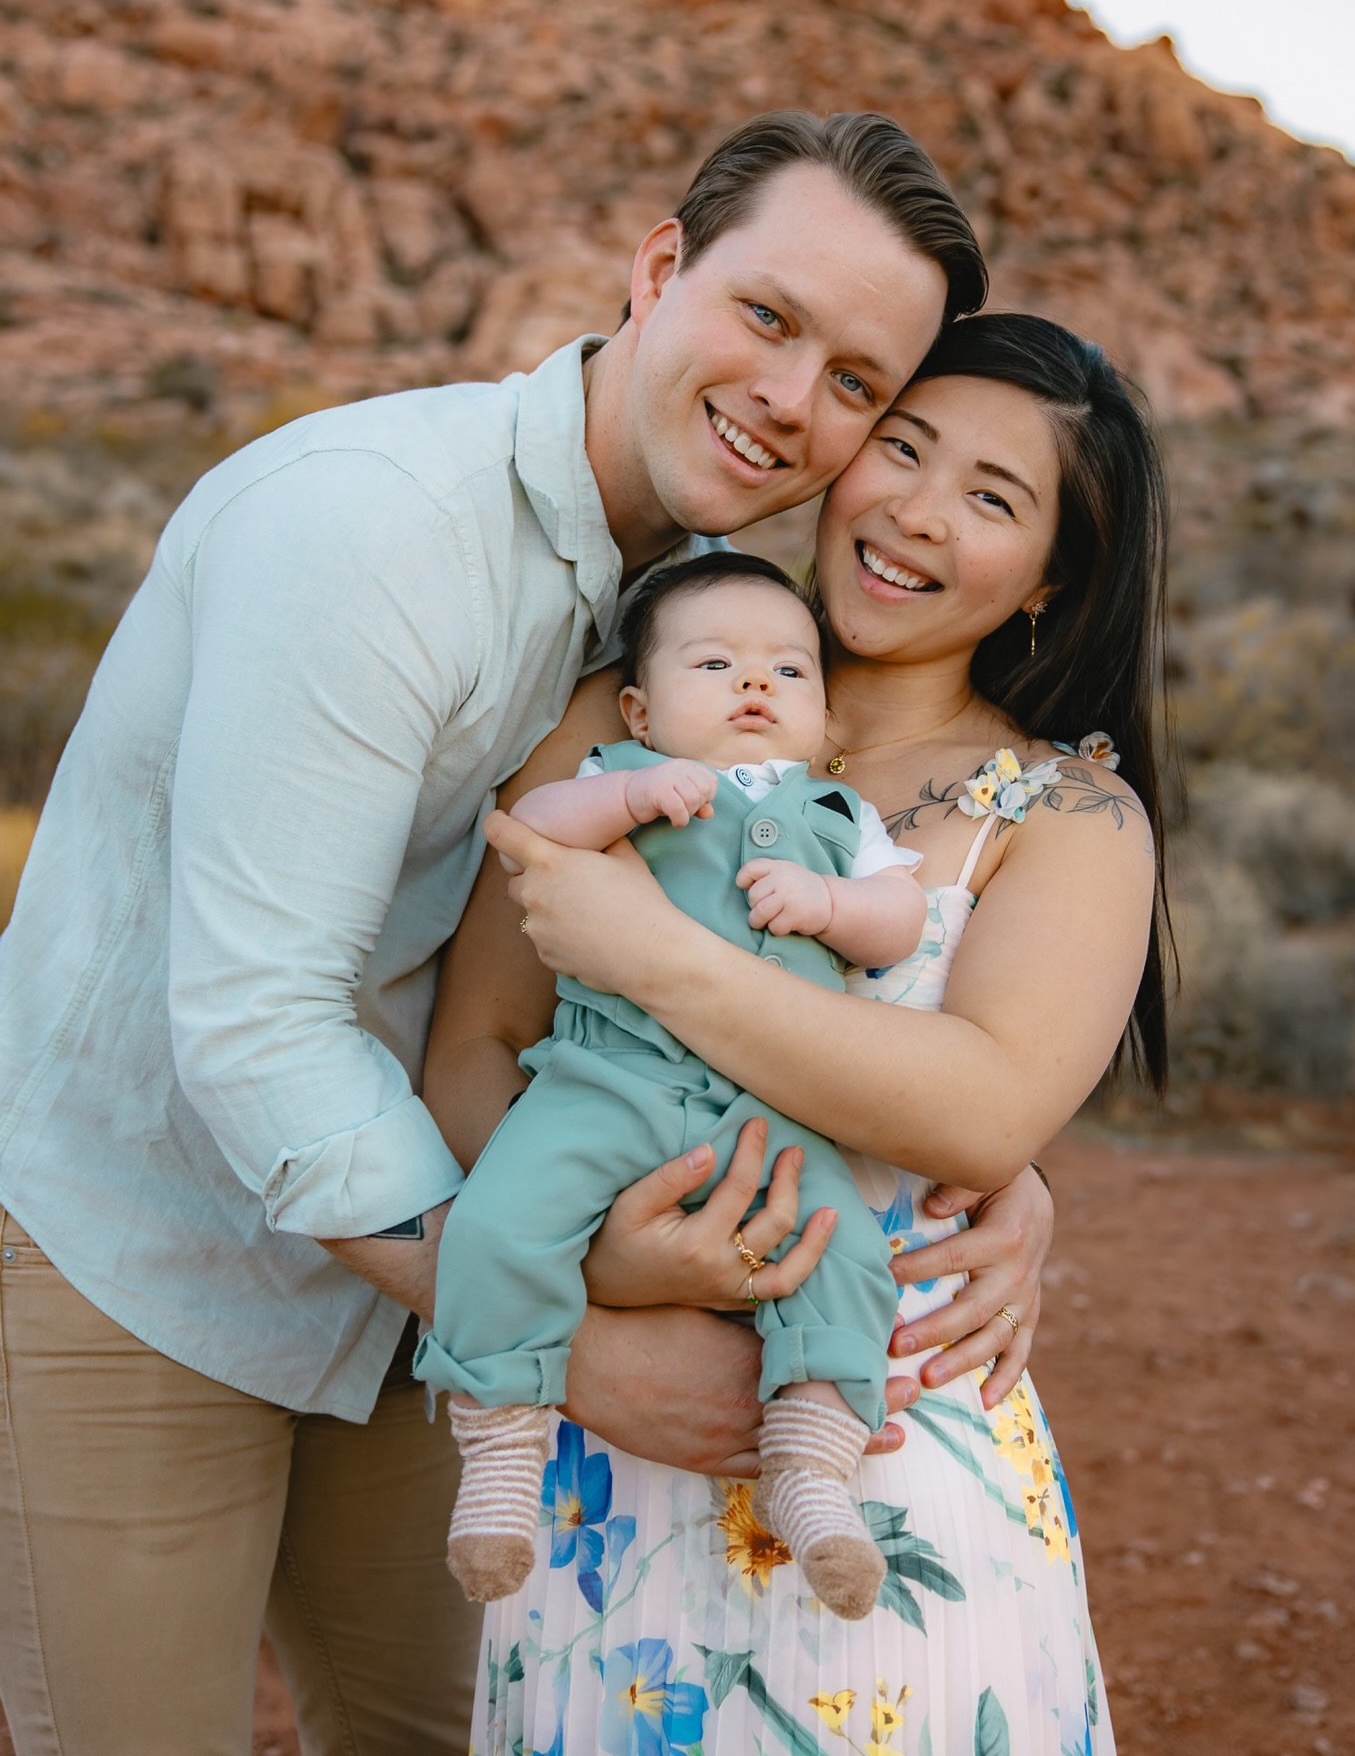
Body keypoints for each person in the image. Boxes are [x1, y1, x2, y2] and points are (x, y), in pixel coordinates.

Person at [0, 112, 1059, 1756]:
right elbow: (260, 1022)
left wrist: (970, 1151)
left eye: (855, 382)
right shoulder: (372, 532)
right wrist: (566, 1347)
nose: (795, 401)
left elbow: (754, 937)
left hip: (406, 1265)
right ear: (658, 270)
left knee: (449, 1732)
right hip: (142, 1251)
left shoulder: (703, 609)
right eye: (768, 319)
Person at [429, 310, 1172, 1752]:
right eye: (899, 447)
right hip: (611, 1453)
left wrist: (656, 955)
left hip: (890, 1454)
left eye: (992, 496)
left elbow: (979, 1113)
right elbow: (472, 1046)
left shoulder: (1067, 815)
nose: (915, 509)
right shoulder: (628, 711)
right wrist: (600, 1262)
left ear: (1049, 579)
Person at [416, 554, 928, 1616]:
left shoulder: (837, 812)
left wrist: (831, 909)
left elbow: (900, 920)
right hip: (608, 1081)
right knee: (504, 1213)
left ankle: (810, 1467)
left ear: (825, 717)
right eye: (717, 664)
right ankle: (502, 1448)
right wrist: (626, 792)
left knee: (843, 1252)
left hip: (777, 1107)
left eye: (788, 671)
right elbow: (536, 834)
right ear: (642, 709)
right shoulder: (613, 775)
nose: (755, 685)